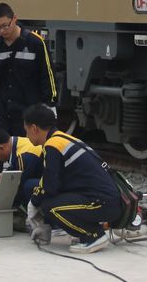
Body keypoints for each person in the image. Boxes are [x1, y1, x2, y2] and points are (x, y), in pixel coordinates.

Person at [23, 103, 122, 254]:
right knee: (45, 198)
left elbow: (50, 187)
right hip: (106, 200)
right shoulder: (62, 138)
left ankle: (93, 236)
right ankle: (88, 232)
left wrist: (34, 204)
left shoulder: (52, 146)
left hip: (102, 202)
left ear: (34, 128)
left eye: (26, 131)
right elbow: (51, 181)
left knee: (50, 207)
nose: (26, 136)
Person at [0, 3, 58, 172]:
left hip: (28, 116)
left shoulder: (35, 43)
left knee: (31, 162)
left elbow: (48, 76)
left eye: (5, 25)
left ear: (14, 19)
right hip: (3, 114)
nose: (2, 31)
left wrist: (50, 105)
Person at [0, 127, 43, 209]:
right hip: (42, 177)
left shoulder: (23, 157)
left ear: (1, 148)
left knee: (26, 187)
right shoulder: (20, 142)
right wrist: (3, 176)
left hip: (52, 188)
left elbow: (18, 189)